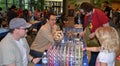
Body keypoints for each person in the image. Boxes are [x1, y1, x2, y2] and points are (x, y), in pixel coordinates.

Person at [79, 2, 109, 66]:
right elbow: (87, 26)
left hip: (102, 38)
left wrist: (95, 33)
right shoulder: (86, 16)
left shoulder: (99, 13)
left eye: (84, 12)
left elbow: (107, 27)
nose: (83, 14)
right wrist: (83, 32)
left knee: (96, 57)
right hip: (94, 40)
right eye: (82, 13)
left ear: (88, 10)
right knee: (94, 55)